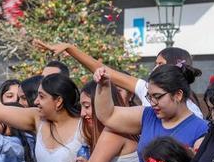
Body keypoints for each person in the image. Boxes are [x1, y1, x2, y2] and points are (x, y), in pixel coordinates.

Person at [35, 40, 203, 118]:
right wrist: (69, 48)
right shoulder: (145, 87)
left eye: (160, 64)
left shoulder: (193, 113)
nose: (154, 69)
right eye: (152, 97)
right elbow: (104, 70)